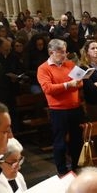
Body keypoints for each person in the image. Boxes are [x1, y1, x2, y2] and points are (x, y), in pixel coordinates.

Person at [37, 38, 85, 175]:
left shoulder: (69, 64)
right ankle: (62, 171)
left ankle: (77, 167)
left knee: (77, 140)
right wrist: (67, 85)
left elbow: (80, 83)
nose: (65, 55)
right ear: (52, 52)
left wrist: (72, 85)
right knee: (60, 142)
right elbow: (48, 89)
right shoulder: (43, 68)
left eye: (65, 52)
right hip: (58, 110)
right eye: (62, 52)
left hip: (75, 107)